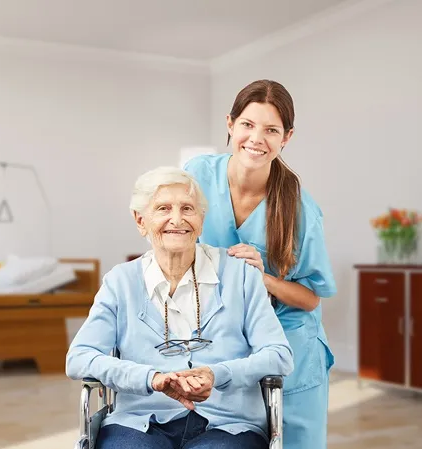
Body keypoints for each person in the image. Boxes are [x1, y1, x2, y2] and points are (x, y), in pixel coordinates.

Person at [66, 166, 293, 449]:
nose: (177, 219)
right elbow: (78, 357)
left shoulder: (241, 275)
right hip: (140, 421)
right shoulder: (120, 282)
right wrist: (150, 378)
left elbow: (279, 354)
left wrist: (218, 374)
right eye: (163, 208)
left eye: (188, 208)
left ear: (201, 219)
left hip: (228, 424)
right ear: (140, 221)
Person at [183, 79, 337, 449]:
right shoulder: (198, 175)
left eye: (271, 130)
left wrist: (262, 277)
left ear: (287, 137)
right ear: (230, 124)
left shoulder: (298, 208)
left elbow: (311, 298)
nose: (257, 138)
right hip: (227, 339)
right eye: (248, 125)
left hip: (290, 344)